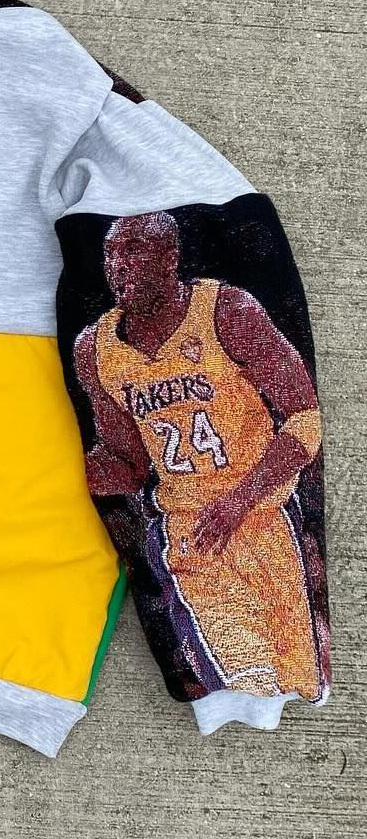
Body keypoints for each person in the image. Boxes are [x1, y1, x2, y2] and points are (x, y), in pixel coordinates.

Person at [74, 211, 324, 699]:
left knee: (300, 680)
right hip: (190, 531)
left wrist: (238, 500)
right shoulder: (95, 350)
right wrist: (78, 471)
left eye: (132, 252)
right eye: (110, 254)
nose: (118, 266)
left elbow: (305, 418)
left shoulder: (226, 311)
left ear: (170, 258)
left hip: (264, 515)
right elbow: (131, 461)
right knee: (247, 676)